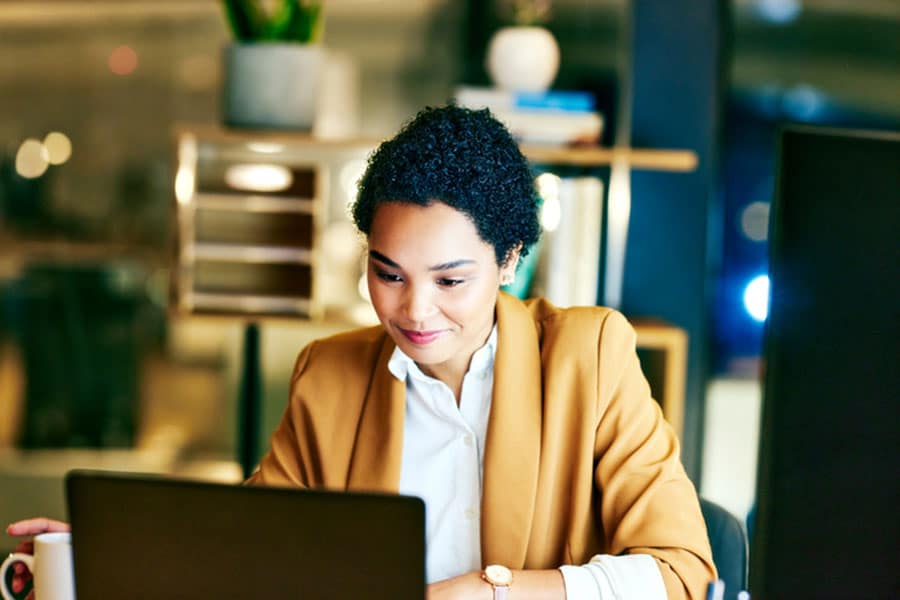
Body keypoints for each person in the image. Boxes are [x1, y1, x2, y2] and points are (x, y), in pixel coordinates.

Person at [7, 105, 715, 599]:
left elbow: (682, 574)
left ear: (509, 260)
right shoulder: (332, 374)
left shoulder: (589, 356)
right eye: (388, 273)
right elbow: (249, 550)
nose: (413, 309)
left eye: (450, 280)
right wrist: (114, 552)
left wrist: (491, 594)